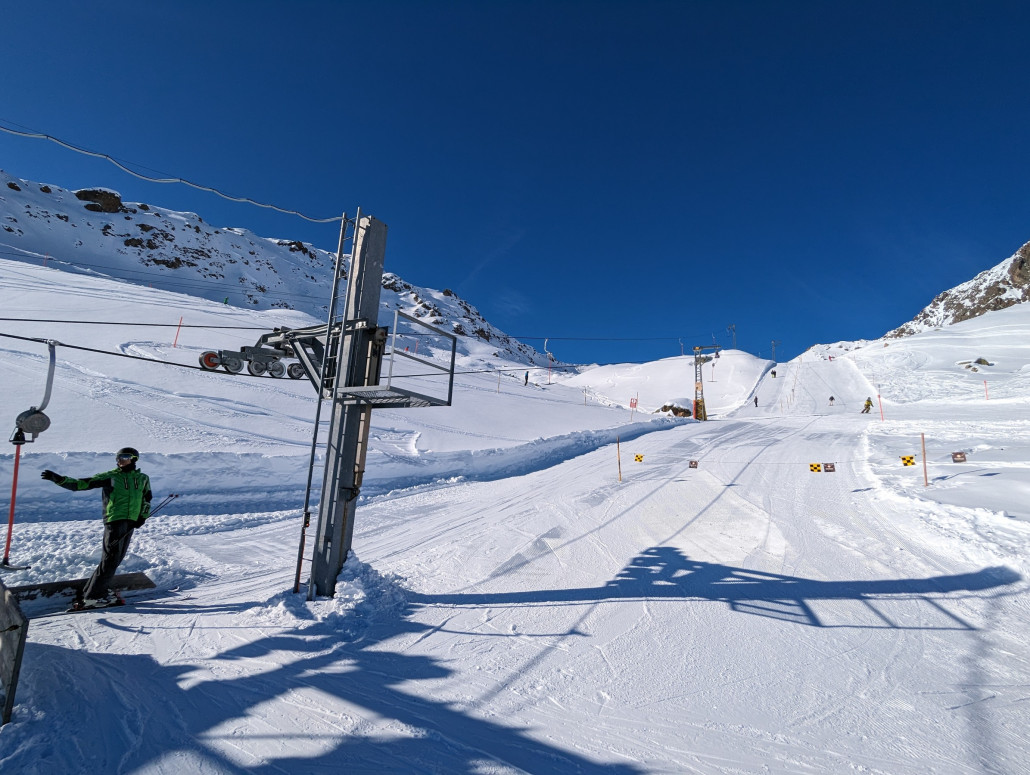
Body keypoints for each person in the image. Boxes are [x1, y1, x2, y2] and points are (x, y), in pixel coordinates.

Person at [41, 447, 152, 609]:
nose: (120, 460)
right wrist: (59, 479)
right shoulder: (111, 477)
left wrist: (142, 516)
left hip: (131, 522)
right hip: (115, 521)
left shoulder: (142, 478)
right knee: (110, 559)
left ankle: (90, 592)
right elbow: (82, 484)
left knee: (116, 559)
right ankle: (94, 596)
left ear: (134, 459)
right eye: (118, 457)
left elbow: (147, 498)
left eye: (124, 457)